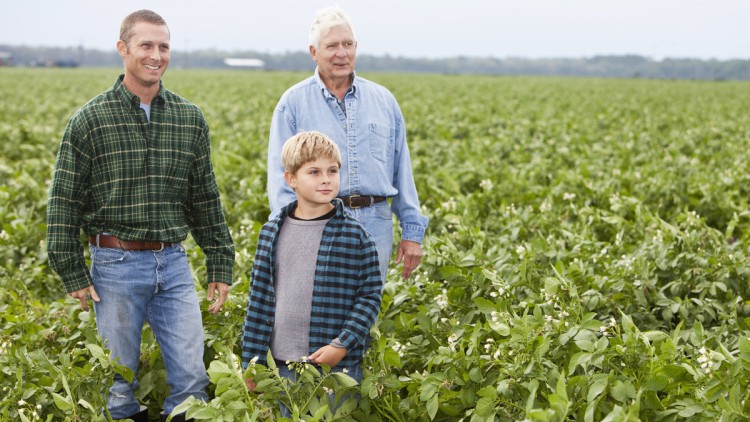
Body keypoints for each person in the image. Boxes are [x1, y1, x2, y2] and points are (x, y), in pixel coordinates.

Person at [46, 10, 234, 422]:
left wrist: (220, 261)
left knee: (192, 378)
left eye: (163, 46)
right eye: (146, 45)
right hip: (115, 264)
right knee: (118, 382)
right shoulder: (90, 121)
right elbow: (64, 204)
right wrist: (72, 272)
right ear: (123, 49)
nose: (156, 55)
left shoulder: (189, 118)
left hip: (173, 261)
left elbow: (204, 197)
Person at [267, 6, 428, 283]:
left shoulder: (384, 100)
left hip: (376, 224)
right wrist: (294, 234)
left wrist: (412, 233)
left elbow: (402, 170)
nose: (341, 53)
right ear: (314, 52)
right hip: (319, 223)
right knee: (321, 315)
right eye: (331, 46)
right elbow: (281, 181)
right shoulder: (293, 104)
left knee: (367, 313)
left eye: (348, 44)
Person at [241, 131, 382, 413]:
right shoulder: (271, 232)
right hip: (279, 365)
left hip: (333, 365)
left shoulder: (355, 235)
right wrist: (251, 363)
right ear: (291, 179)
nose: (326, 179)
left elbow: (369, 296)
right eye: (314, 172)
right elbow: (258, 299)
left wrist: (342, 344)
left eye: (332, 171)